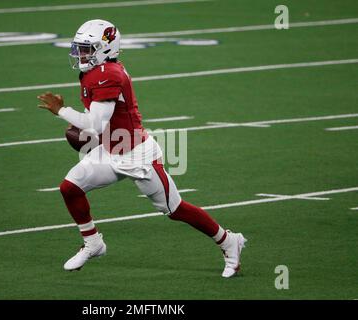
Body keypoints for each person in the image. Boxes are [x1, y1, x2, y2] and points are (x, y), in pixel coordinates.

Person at [37, 19, 246, 278]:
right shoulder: (96, 72)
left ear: (106, 48)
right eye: (80, 48)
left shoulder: (108, 75)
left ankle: (228, 241)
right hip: (111, 149)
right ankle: (93, 243)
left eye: (87, 48)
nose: (81, 54)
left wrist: (62, 112)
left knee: (175, 209)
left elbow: (95, 123)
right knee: (70, 188)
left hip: (137, 154)